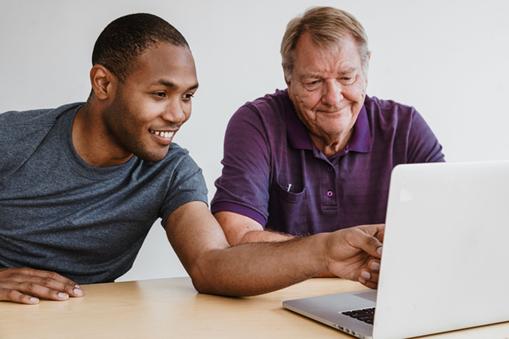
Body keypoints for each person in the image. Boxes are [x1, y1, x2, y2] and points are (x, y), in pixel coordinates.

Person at [0, 13, 383, 305]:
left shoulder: (171, 170)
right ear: (103, 84)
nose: (178, 114)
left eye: (187, 96)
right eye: (160, 94)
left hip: (82, 317)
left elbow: (212, 264)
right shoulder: (13, 140)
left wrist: (324, 252)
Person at [212, 7, 443, 249]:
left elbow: (448, 222)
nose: (333, 98)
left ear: (365, 71)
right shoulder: (257, 124)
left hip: (383, 286)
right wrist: (333, 253)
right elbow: (236, 236)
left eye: (346, 78)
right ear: (288, 78)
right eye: (314, 82)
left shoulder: (404, 128)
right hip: (292, 288)